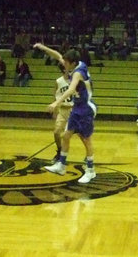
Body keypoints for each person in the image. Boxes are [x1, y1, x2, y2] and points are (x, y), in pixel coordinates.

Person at [37, 43, 99, 184]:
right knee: (65, 136)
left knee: (86, 140)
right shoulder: (71, 65)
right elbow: (58, 55)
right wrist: (43, 48)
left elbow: (71, 90)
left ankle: (91, 171)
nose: (63, 64)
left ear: (73, 63)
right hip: (77, 107)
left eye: (66, 62)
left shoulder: (78, 72)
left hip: (86, 108)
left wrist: (56, 103)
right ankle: (61, 165)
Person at [51, 64, 73, 161]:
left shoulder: (75, 80)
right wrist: (55, 110)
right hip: (63, 110)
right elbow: (55, 97)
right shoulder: (58, 81)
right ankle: (59, 151)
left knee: (82, 135)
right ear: (64, 69)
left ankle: (88, 157)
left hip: (74, 110)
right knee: (56, 132)